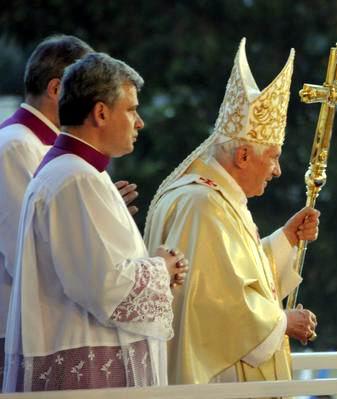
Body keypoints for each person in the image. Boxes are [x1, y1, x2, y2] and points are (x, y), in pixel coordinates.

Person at [3, 52, 188, 392]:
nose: (140, 121)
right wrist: (163, 267)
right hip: (87, 368)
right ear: (101, 112)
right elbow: (104, 285)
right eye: (131, 109)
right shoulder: (76, 177)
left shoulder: (79, 171)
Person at [144, 38, 319, 385]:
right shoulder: (202, 204)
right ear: (242, 156)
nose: (277, 170)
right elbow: (212, 308)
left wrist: (285, 239)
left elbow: (232, 279)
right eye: (272, 156)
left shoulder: (216, 198)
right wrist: (283, 322)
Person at [0, 36, 139, 387]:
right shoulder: (16, 145)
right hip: (41, 324)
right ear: (57, 88)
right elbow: (26, 249)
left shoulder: (47, 148)